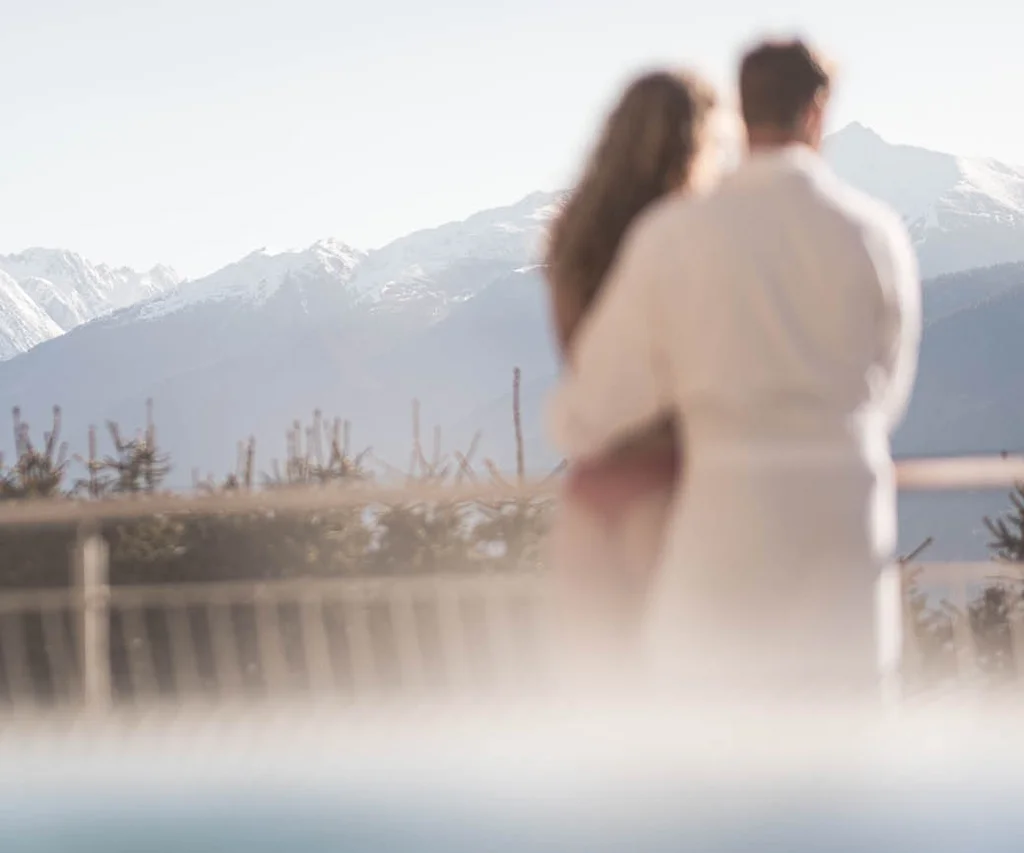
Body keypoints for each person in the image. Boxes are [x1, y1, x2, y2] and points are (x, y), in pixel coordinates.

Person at [546, 38, 922, 701]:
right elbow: (887, 386)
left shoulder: (676, 235)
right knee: (844, 743)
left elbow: (595, 405)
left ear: (741, 109)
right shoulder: (874, 232)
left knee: (716, 737)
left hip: (728, 520)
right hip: (846, 518)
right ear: (818, 109)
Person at [543, 70, 719, 685]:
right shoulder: (692, 235)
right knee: (682, 687)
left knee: (599, 692)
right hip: (669, 476)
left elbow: (577, 358)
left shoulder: (572, 233)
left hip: (594, 480)